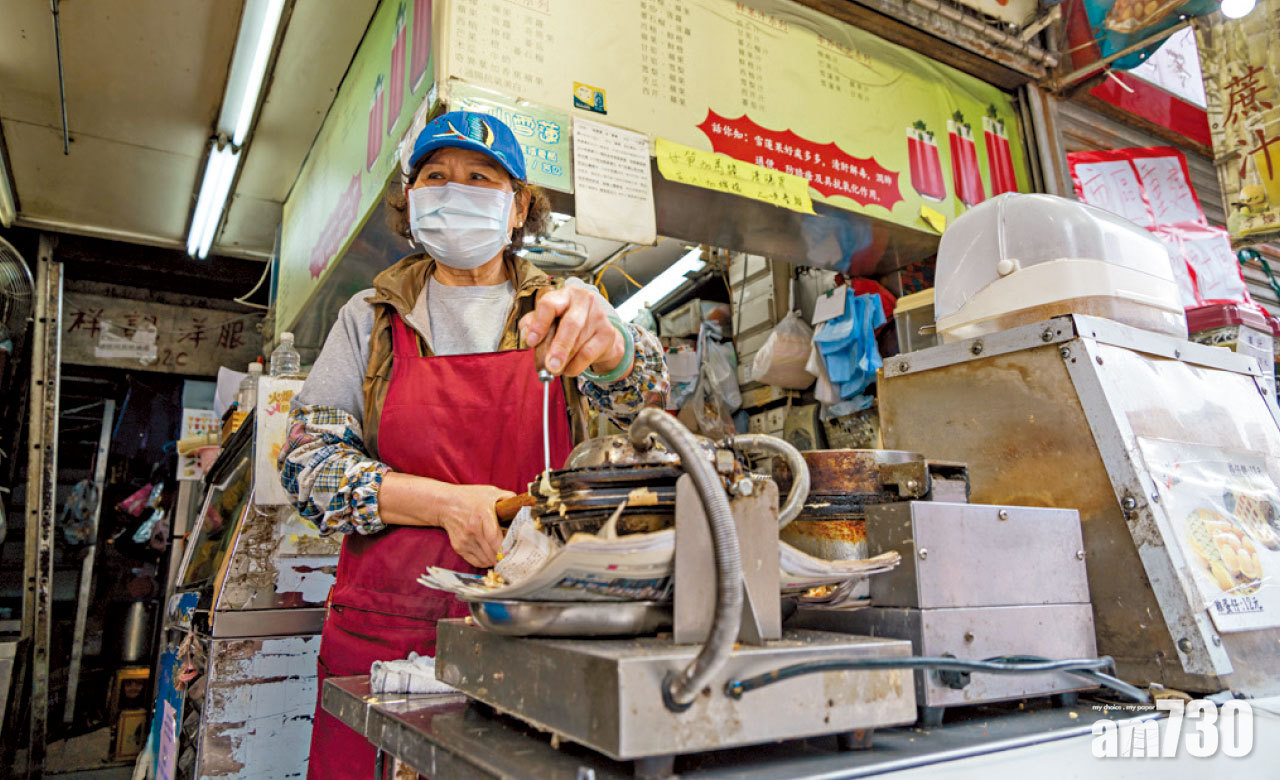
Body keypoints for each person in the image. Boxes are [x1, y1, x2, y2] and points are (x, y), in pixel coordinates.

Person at [278, 111, 669, 779]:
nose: (455, 192)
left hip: (530, 622)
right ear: (412, 200)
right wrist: (448, 505)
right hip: (385, 631)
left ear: (518, 207)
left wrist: (616, 350)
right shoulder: (369, 317)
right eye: (436, 177)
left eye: (480, 178)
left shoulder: (560, 309)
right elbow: (305, 468)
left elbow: (646, 404)